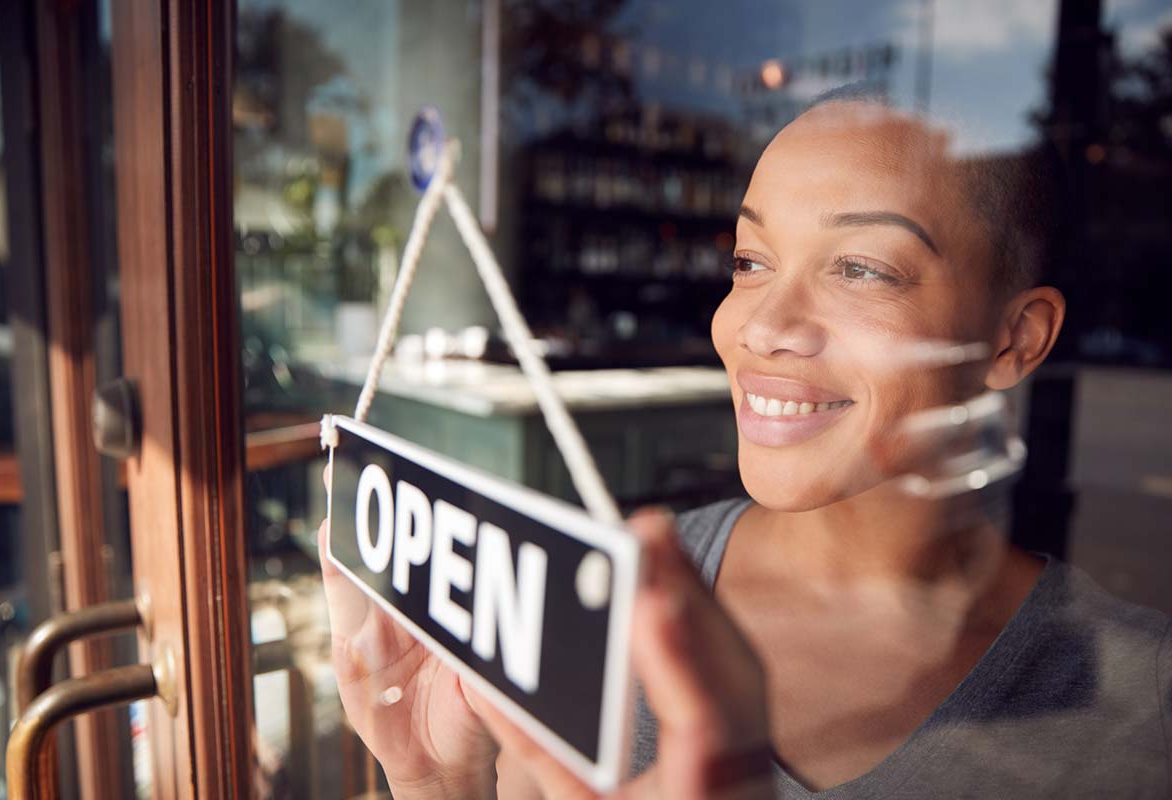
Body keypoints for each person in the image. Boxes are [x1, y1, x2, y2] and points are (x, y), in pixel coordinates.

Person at [318, 94, 1172, 799]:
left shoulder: (1141, 706)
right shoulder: (603, 599)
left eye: (861, 269)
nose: (758, 327)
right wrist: (437, 783)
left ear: (1015, 338)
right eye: (751, 260)